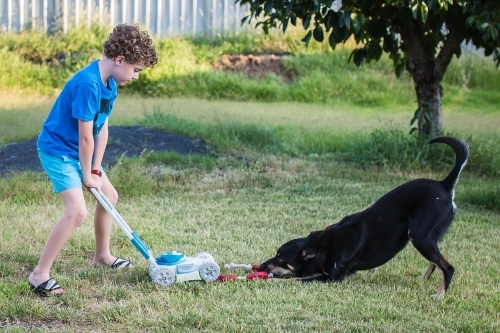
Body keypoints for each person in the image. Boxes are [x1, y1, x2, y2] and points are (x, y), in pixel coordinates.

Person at [28, 24, 158, 296]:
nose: (135, 76)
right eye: (136, 70)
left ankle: (102, 255)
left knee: (109, 195)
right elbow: (85, 136)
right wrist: (86, 176)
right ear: (119, 60)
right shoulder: (88, 84)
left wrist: (96, 169)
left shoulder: (110, 82)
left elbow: (102, 129)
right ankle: (39, 275)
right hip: (58, 149)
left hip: (79, 150)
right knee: (77, 211)